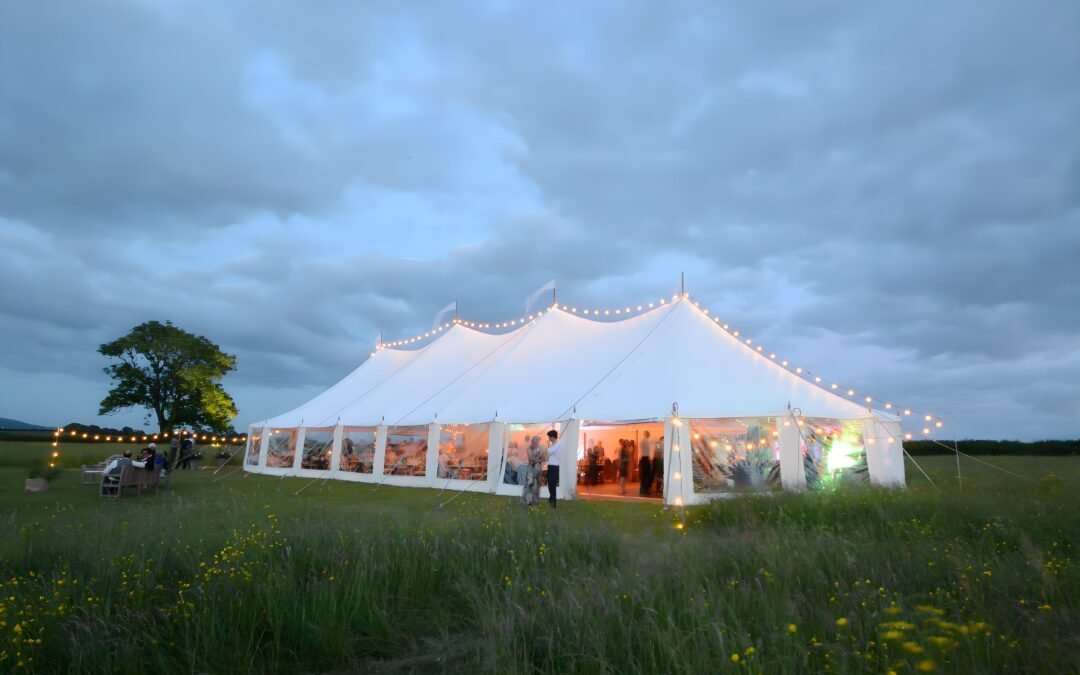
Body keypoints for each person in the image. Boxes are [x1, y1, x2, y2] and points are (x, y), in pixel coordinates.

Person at [520, 435, 546, 507]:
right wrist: (538, 460)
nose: (537, 442)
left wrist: (537, 460)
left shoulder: (540, 449)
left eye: (538, 441)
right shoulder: (529, 449)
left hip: (538, 469)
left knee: (537, 485)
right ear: (533, 441)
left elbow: (544, 458)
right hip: (531, 468)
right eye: (536, 440)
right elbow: (530, 458)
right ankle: (527, 500)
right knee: (529, 484)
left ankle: (535, 501)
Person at [545, 429, 563, 509]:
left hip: (554, 467)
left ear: (552, 436)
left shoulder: (558, 444)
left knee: (552, 485)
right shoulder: (554, 444)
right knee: (549, 483)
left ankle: (553, 502)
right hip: (550, 466)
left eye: (549, 436)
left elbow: (549, 451)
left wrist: (548, 445)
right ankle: (551, 499)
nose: (548, 438)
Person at [638, 431, 654, 496]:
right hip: (645, 458)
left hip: (643, 458)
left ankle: (642, 489)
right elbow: (648, 451)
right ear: (648, 434)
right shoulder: (647, 441)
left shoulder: (642, 440)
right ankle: (645, 490)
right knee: (647, 475)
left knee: (643, 475)